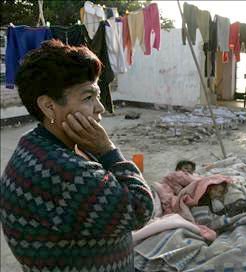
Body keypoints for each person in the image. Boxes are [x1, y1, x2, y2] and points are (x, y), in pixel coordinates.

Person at [0, 40, 154, 272]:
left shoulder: (36, 140)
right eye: (88, 98)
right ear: (49, 107)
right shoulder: (62, 170)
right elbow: (141, 209)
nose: (100, 108)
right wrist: (108, 150)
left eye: (98, 95)